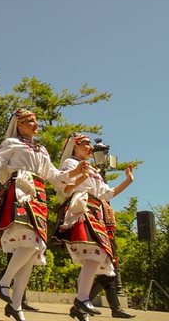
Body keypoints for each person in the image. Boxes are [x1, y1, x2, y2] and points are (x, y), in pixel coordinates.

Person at [0, 109, 90, 321]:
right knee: (30, 243)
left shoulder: (42, 149)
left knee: (34, 252)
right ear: (19, 124)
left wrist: (76, 173)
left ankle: (15, 305)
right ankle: (4, 282)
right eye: (30, 121)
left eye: (35, 121)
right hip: (21, 189)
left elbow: (55, 176)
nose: (35, 125)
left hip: (39, 194)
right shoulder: (11, 143)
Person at [52, 133, 134, 321]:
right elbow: (66, 188)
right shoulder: (70, 164)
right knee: (94, 255)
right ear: (75, 146)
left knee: (96, 258)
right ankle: (82, 300)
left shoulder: (95, 171)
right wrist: (81, 178)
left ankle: (81, 306)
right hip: (82, 209)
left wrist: (128, 181)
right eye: (86, 144)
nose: (90, 148)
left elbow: (108, 193)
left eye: (90, 145)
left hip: (97, 213)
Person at [89, 199, 135, 319]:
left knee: (109, 276)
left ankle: (114, 308)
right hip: (101, 239)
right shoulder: (95, 201)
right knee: (109, 275)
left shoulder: (105, 203)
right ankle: (84, 301)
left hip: (109, 240)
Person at [0, 233, 39, 311]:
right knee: (12, 267)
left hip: (25, 237)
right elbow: (2, 221)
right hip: (15, 236)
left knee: (20, 267)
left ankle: (21, 300)